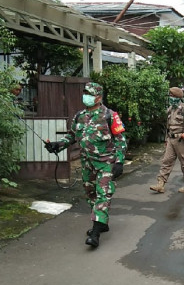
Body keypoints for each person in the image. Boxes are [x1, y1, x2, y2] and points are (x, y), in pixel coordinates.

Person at [45, 82, 127, 248]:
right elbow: (72, 136)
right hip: (87, 163)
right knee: (91, 194)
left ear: (98, 97)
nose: (86, 96)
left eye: (90, 94)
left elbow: (120, 140)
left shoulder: (110, 115)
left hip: (106, 163)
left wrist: (119, 161)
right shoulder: (79, 116)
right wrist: (57, 145)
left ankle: (96, 232)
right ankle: (102, 222)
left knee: (103, 193)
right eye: (85, 93)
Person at [150, 87, 184, 194]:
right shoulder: (171, 109)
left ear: (177, 97)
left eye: (172, 96)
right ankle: (160, 184)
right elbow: (169, 126)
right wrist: (167, 139)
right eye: (170, 96)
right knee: (166, 161)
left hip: (181, 140)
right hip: (171, 139)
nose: (170, 98)